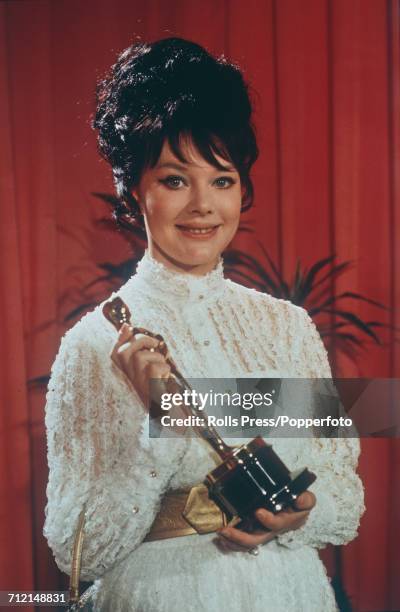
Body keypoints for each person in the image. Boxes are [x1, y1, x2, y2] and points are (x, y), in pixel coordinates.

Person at [43, 37, 365, 612]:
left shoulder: (288, 326)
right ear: (132, 190)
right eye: (174, 180)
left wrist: (293, 516)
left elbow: (345, 495)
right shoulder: (93, 344)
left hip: (290, 592)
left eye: (222, 179)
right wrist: (155, 423)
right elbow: (77, 552)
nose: (203, 206)